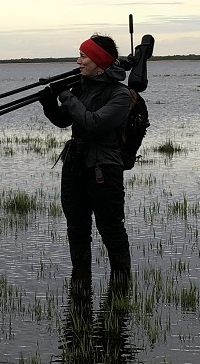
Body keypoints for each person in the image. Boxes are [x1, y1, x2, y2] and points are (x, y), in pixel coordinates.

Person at [40, 34, 133, 294]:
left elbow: (92, 122)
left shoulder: (120, 94)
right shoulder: (81, 86)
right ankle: (80, 285)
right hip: (74, 165)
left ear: (99, 62)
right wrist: (49, 102)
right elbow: (64, 121)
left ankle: (121, 287)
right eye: (79, 55)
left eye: (84, 56)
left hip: (104, 167)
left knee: (110, 228)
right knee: (76, 227)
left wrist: (66, 96)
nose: (78, 61)